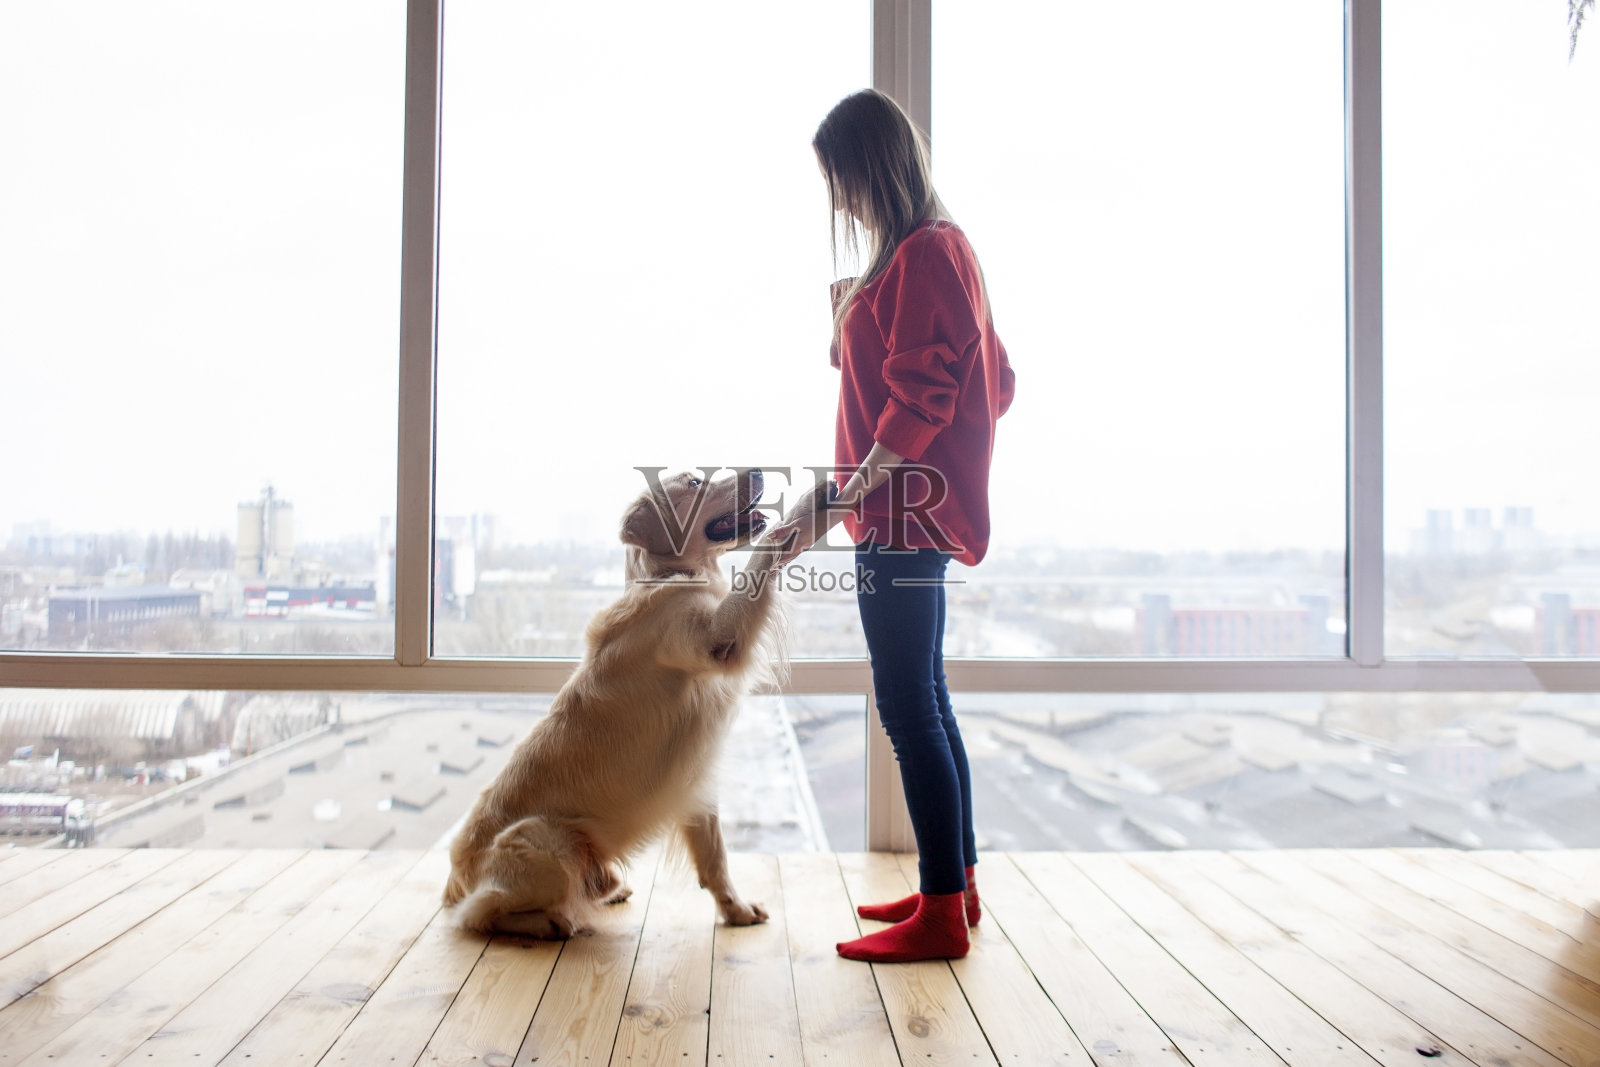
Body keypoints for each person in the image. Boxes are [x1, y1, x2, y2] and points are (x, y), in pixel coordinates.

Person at [770, 88, 1015, 963]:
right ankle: (957, 884)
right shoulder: (921, 255)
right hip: (899, 516)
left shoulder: (928, 254)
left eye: (841, 179)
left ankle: (944, 914)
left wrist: (841, 501)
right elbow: (989, 378)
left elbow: (922, 404)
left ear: (872, 165)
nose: (838, 199)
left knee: (909, 708)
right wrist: (854, 316)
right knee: (928, 700)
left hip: (898, 522)